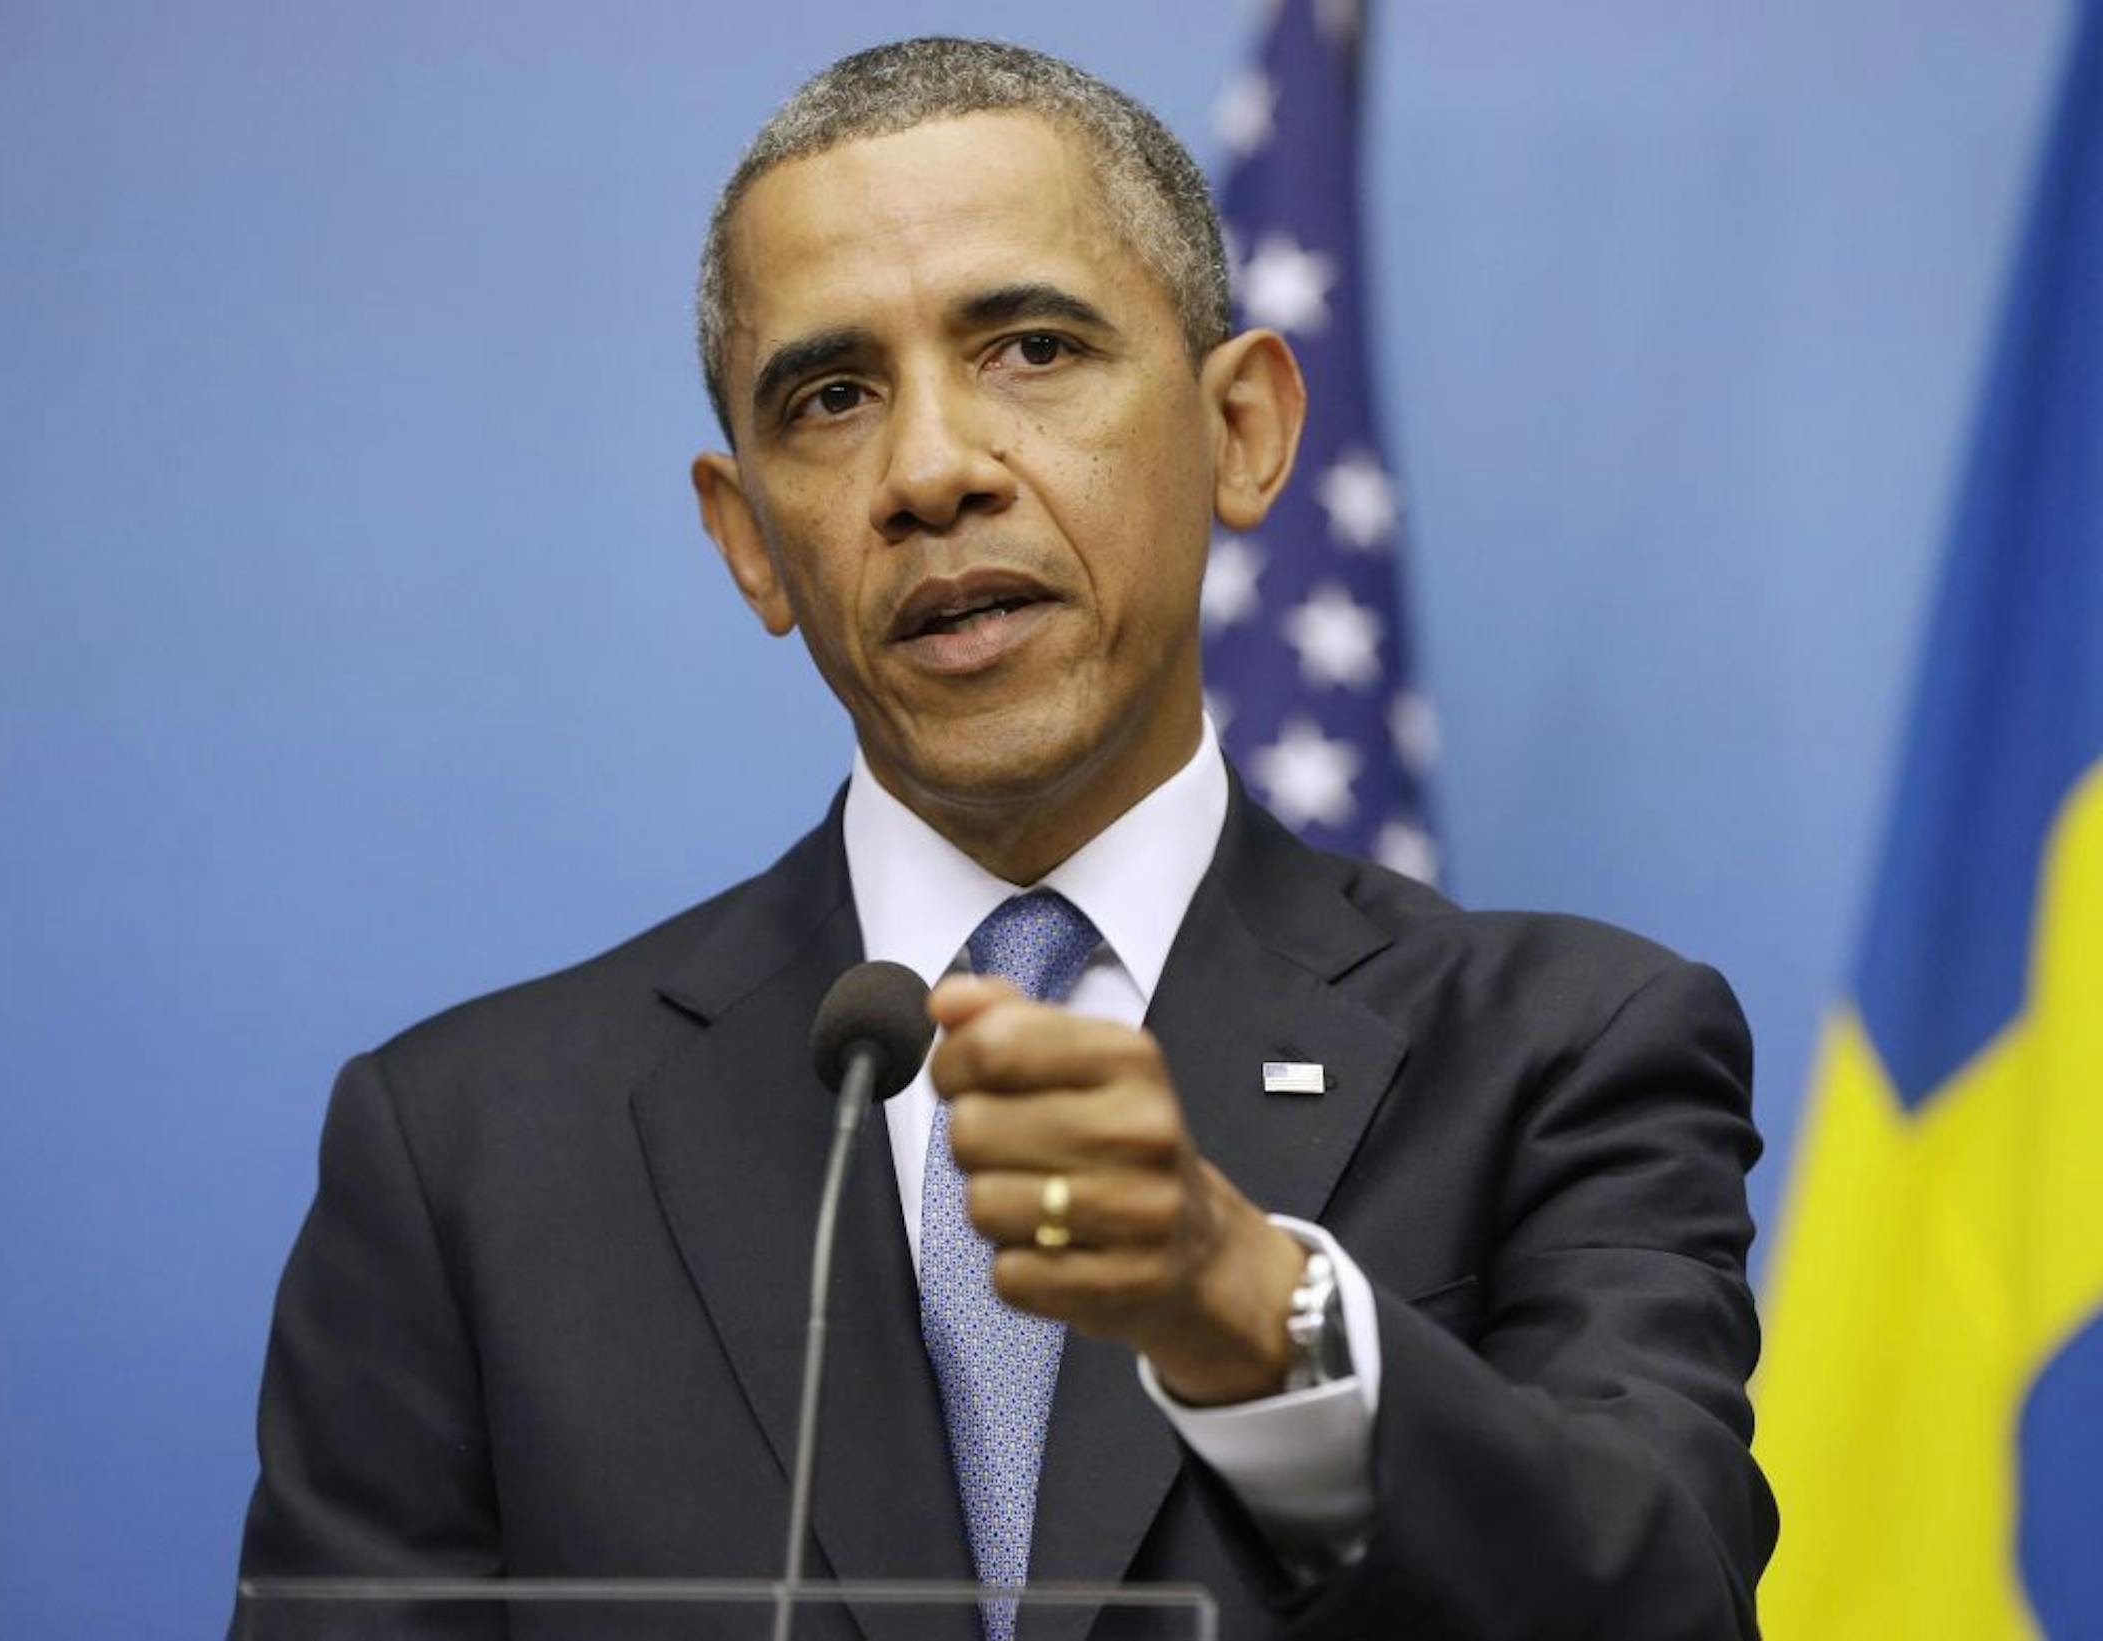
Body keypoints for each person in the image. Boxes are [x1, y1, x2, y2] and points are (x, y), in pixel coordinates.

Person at [238, 37, 1777, 1639]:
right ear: (749, 538)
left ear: (1244, 427)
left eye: (1032, 350)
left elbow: (1663, 1599)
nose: (928, 472)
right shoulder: (464, 1156)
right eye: (832, 398)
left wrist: (1256, 1313)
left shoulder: (1561, 1052)